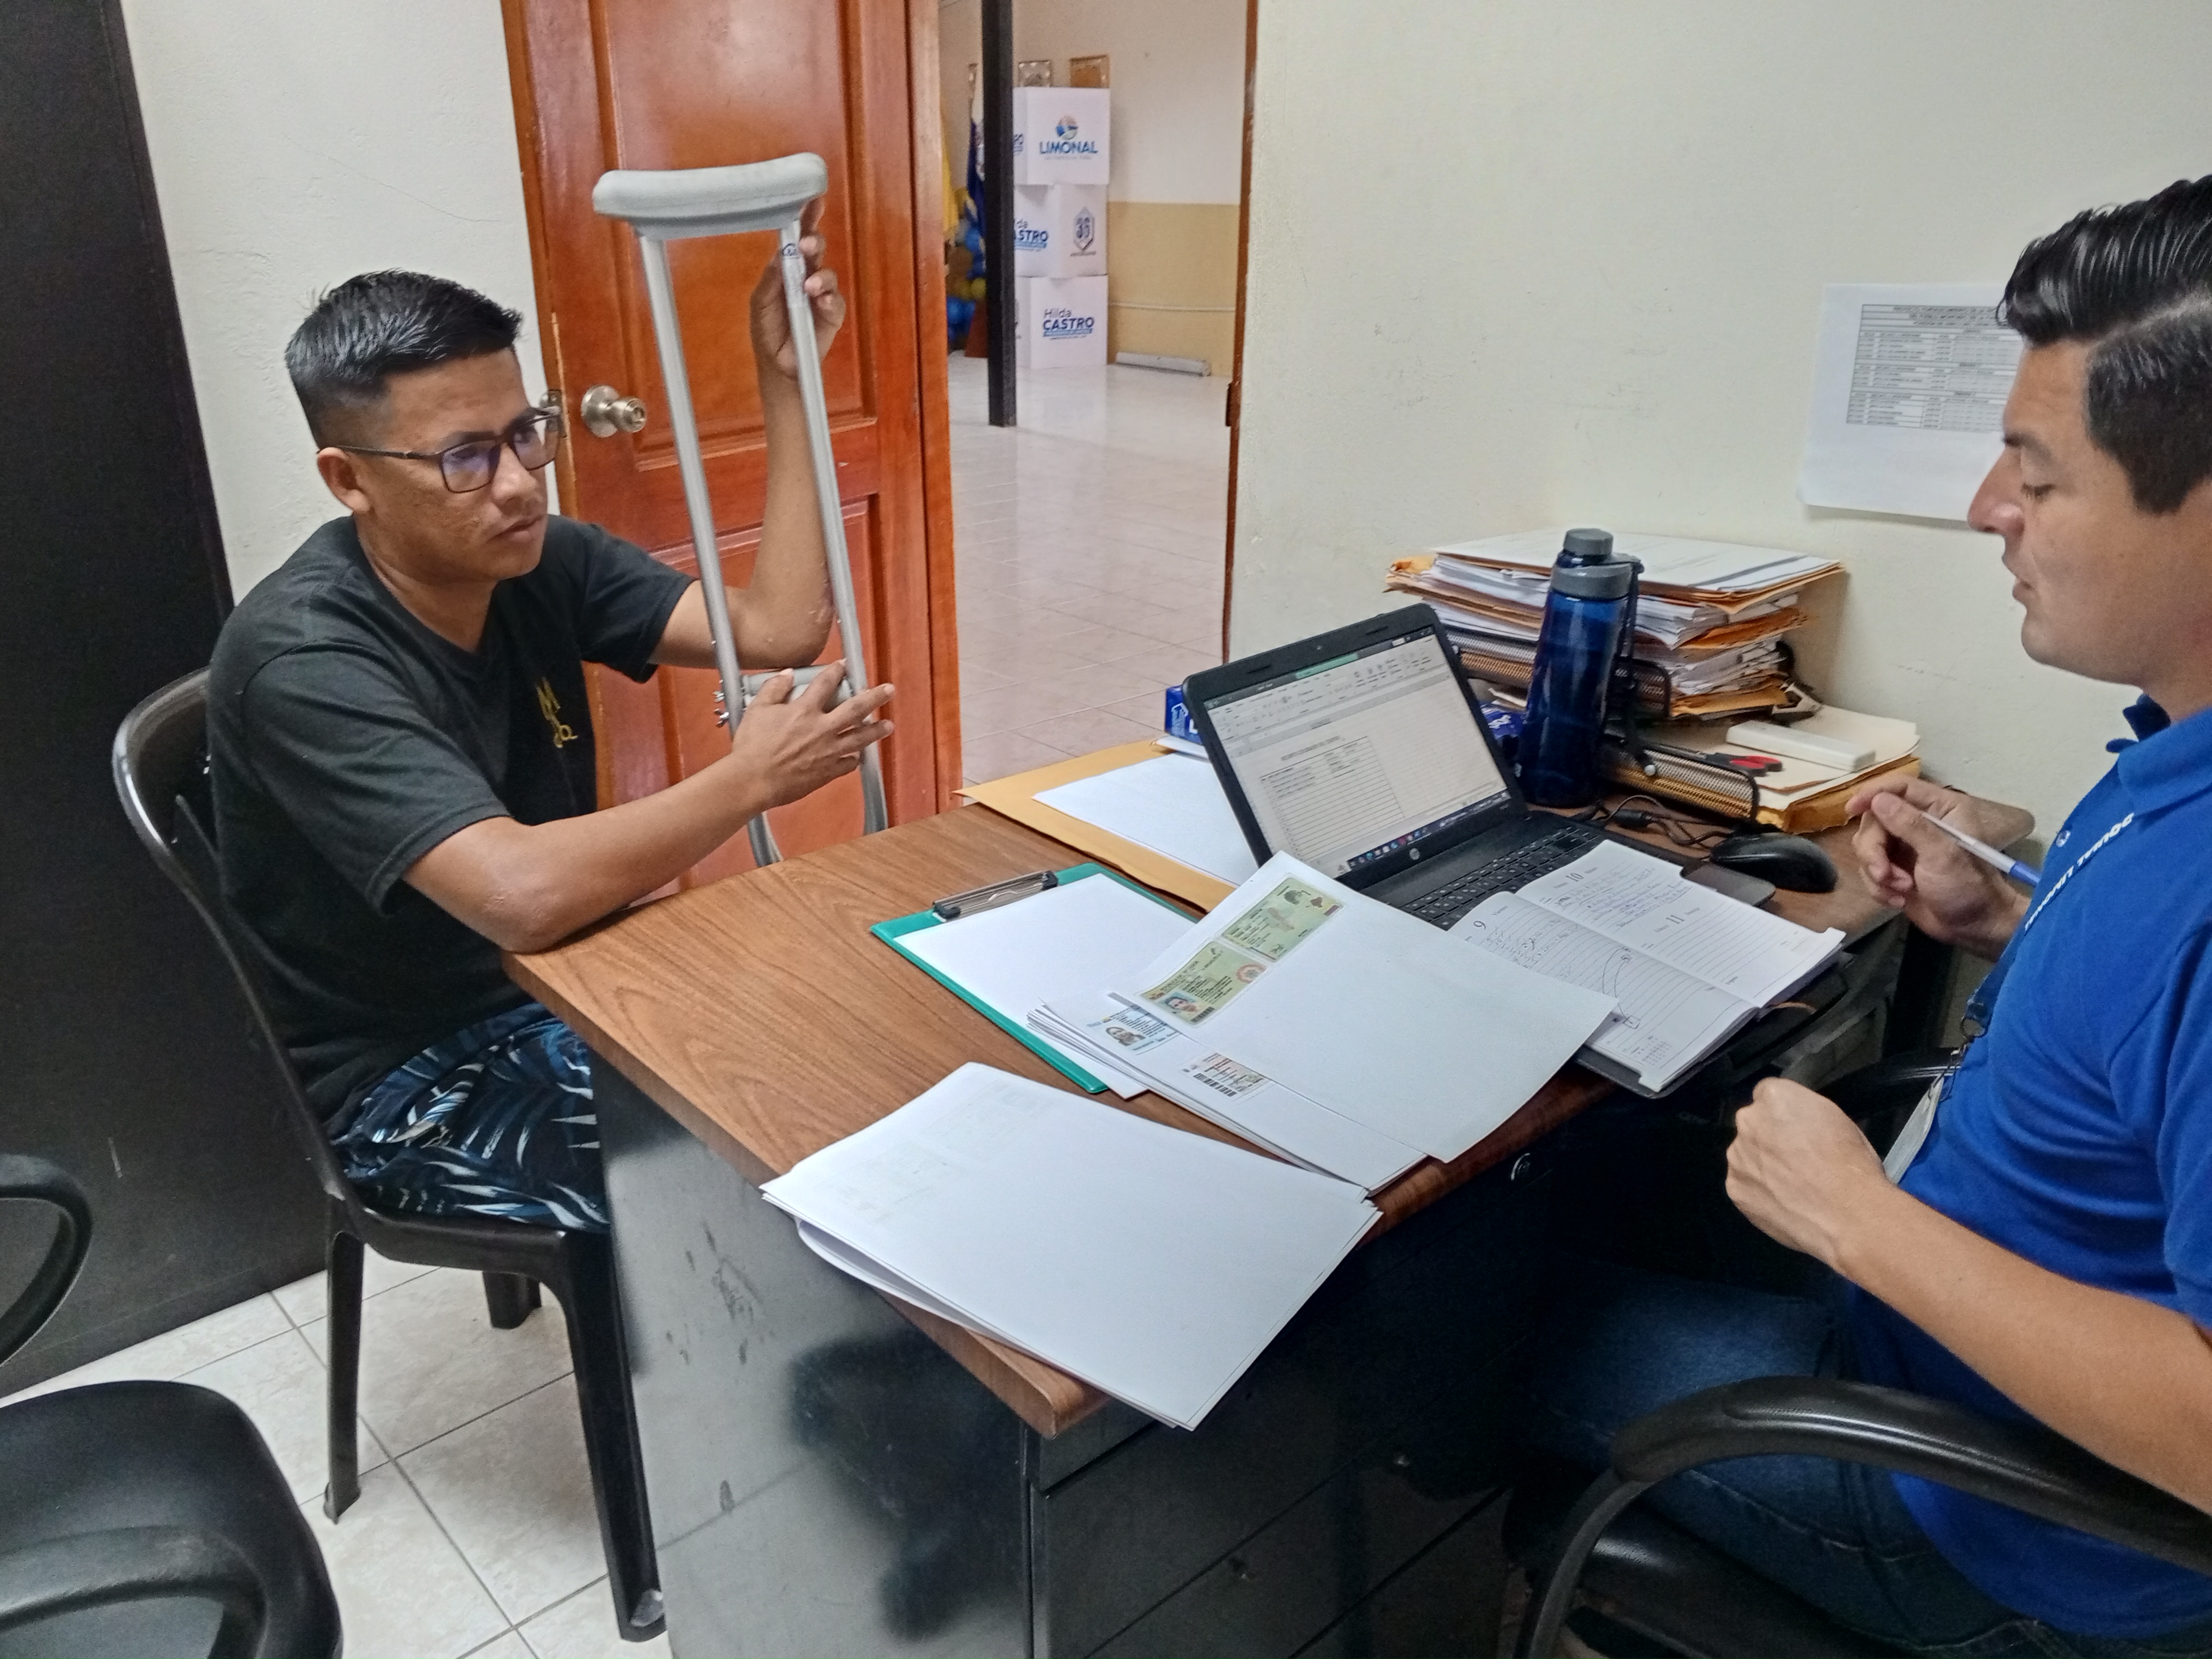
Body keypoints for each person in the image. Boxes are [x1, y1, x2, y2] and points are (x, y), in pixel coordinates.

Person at [1527, 175, 2212, 1655]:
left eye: (2039, 475)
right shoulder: (2180, 743)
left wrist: (1855, 1222)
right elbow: (2159, 1037)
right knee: (1587, 1184)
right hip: (1933, 1335)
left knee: (1479, 1318)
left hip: (1988, 1516)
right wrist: (2003, 922)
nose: (1988, 510)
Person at [207, 205, 892, 1234]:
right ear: (350, 479)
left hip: (578, 975)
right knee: (758, 1180)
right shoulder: (303, 660)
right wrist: (751, 778)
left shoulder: (534, 556)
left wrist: (787, 385)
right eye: (465, 458)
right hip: (418, 1077)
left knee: (856, 1046)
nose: (519, 485)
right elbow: (520, 896)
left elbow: (780, 628)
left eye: (525, 434)